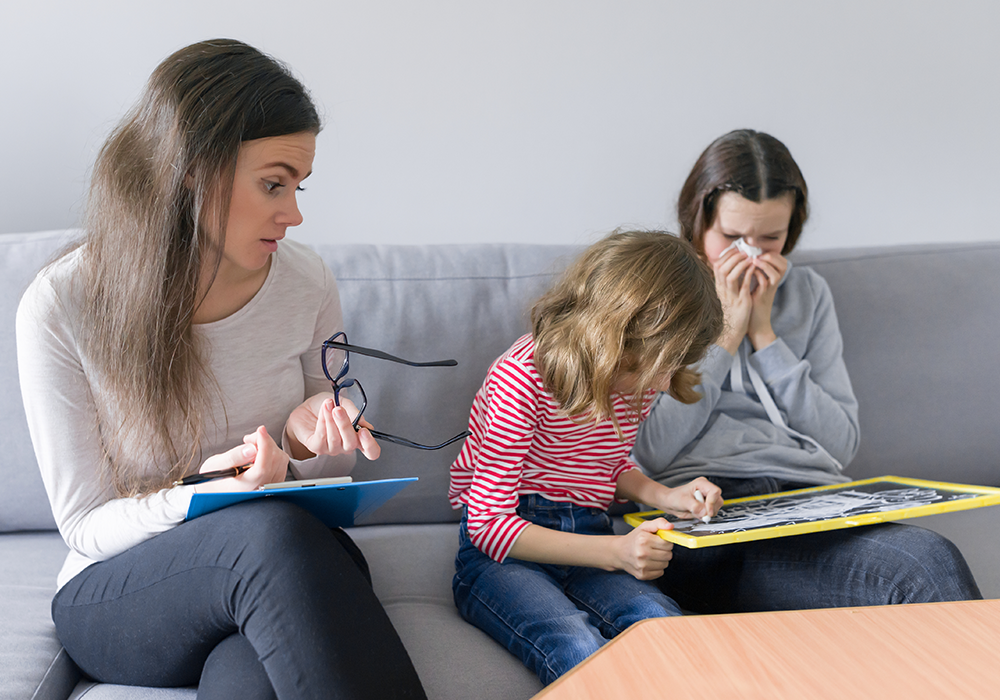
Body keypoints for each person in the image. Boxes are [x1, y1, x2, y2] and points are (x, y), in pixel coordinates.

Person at [15, 39, 425, 699]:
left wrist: (301, 441)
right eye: (273, 183)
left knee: (251, 670)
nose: (294, 213)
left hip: (280, 576)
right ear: (191, 169)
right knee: (268, 534)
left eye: (298, 186)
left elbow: (326, 465)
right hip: (123, 593)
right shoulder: (62, 305)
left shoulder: (307, 282)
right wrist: (213, 495)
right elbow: (86, 522)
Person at [632, 128, 981, 612]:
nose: (751, 254)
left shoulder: (808, 293)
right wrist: (727, 335)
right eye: (732, 238)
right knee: (915, 571)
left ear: (791, 230)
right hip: (710, 513)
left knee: (929, 556)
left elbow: (838, 444)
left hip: (809, 502)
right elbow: (649, 450)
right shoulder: (658, 292)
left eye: (770, 238)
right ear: (698, 223)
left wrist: (765, 336)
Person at [449, 230, 725, 685]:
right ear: (612, 333)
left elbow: (605, 464)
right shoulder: (521, 377)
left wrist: (666, 496)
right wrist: (615, 551)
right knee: (577, 647)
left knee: (668, 632)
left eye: (672, 368)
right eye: (656, 365)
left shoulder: (633, 383)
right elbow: (488, 527)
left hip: (590, 537)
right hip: (503, 556)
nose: (661, 384)